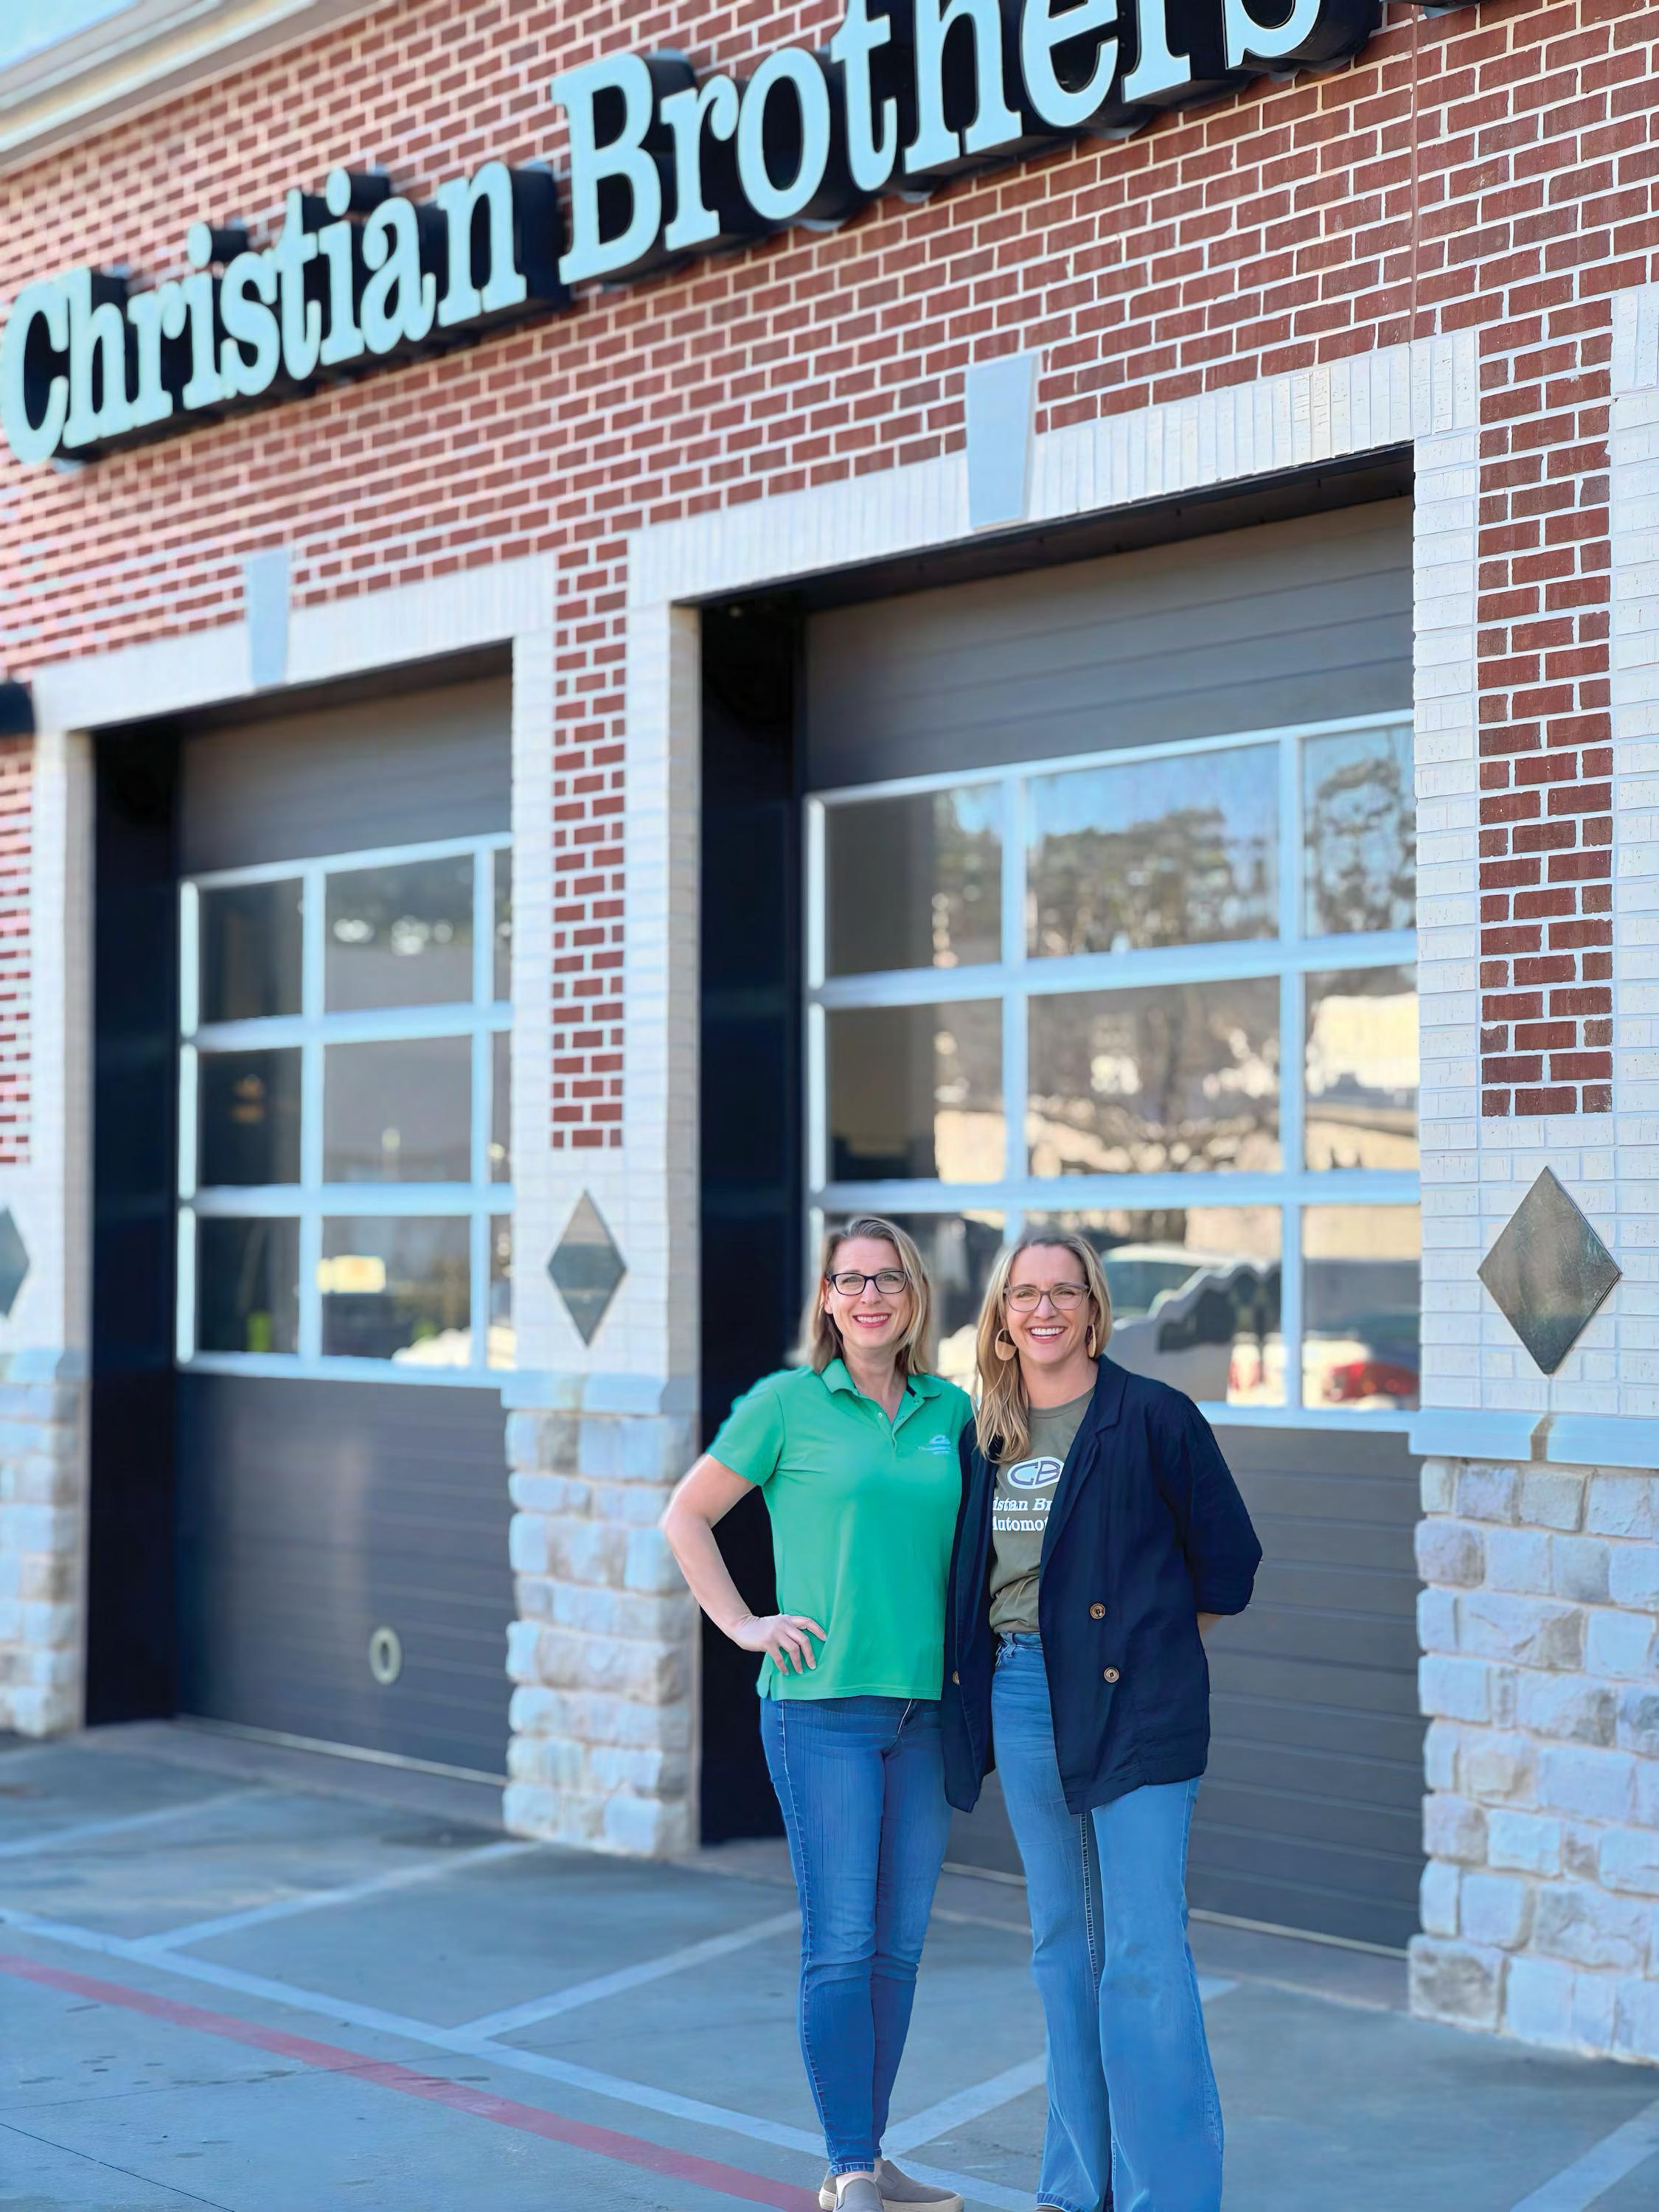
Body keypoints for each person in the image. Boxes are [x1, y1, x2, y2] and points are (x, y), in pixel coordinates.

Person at [942, 1232, 1262, 2212]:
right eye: (1024, 1294)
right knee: (1063, 1948)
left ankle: (1169, 2196)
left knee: (1143, 1953)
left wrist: (1149, 1645)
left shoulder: (1153, 1416)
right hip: (1022, 1695)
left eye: (1063, 1292)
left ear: (1093, 1308)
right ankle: (1079, 2189)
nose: (1043, 1309)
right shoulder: (985, 1436)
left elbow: (1228, 1566)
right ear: (1001, 1318)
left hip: (1137, 1705)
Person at [661, 1217, 975, 2212]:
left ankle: (870, 2154)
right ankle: (848, 2166)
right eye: (850, 1280)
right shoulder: (785, 1404)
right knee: (841, 1944)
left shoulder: (951, 1410)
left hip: (925, 1715)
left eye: (888, 1279)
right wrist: (743, 1624)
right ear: (827, 1300)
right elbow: (686, 1515)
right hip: (819, 1712)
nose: (869, 1295)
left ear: (915, 1295)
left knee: (897, 1949)